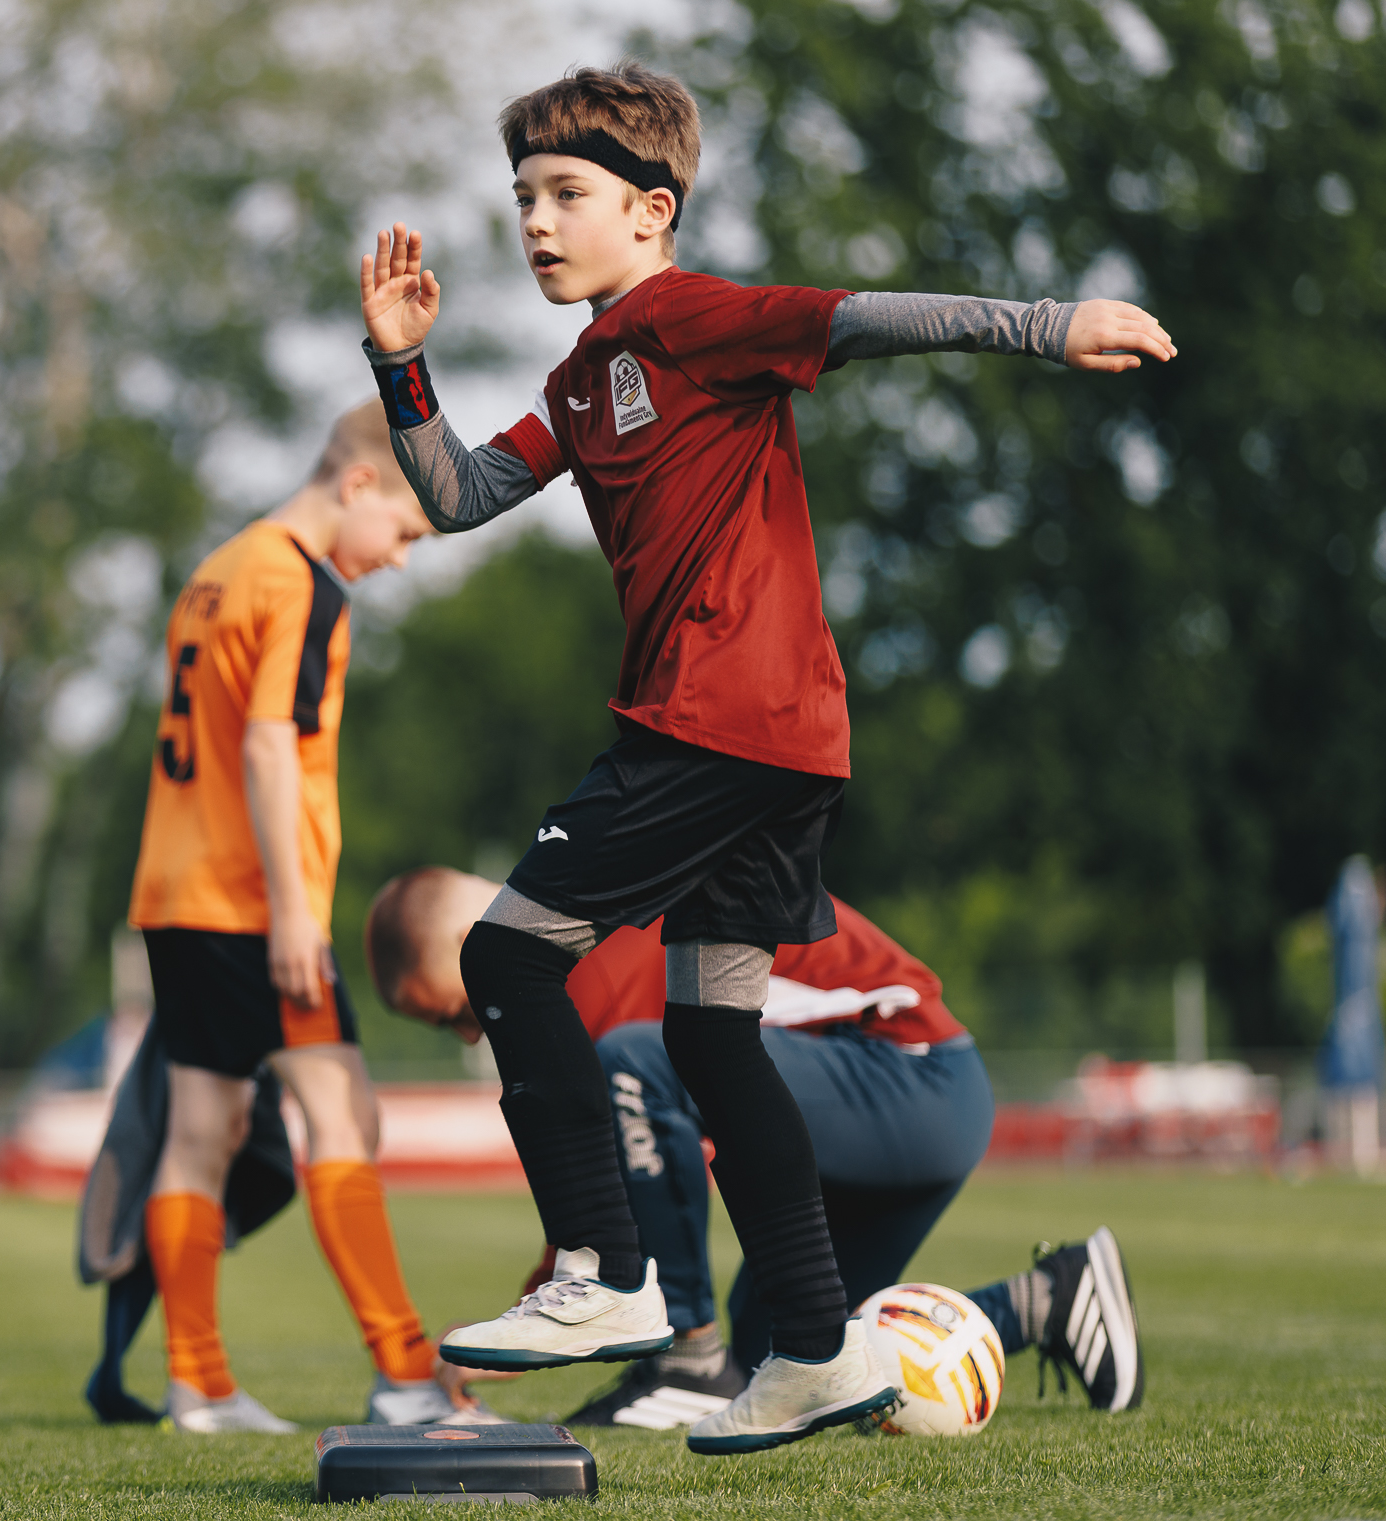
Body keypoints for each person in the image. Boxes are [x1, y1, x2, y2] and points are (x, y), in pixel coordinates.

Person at [355, 59, 1173, 1452]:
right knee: (709, 1033)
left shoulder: (692, 318)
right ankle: (812, 1350)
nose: (536, 221)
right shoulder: (585, 375)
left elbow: (862, 318)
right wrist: (400, 364)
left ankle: (604, 1274)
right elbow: (461, 494)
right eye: (524, 197)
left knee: (505, 956)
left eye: (566, 194)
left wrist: (1051, 324)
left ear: (652, 211)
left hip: (716, 724)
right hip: (785, 743)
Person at [365, 867, 1146, 1428]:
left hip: (910, 1080)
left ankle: (687, 1360)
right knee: (788, 1362)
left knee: (632, 1059)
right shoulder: (582, 921)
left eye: (455, 1012)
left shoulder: (585, 946)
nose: (470, 1032)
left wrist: (536, 1316)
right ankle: (1046, 1299)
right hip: (893, 1098)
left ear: (473, 944)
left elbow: (603, 1189)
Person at [115, 399, 486, 1435]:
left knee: (204, 1129)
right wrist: (292, 911)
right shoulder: (304, 583)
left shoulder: (217, 568)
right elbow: (270, 743)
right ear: (359, 483)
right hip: (252, 902)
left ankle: (197, 1383)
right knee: (343, 1114)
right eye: (405, 532)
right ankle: (407, 1376)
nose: (399, 557)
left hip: (173, 893)